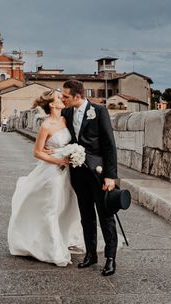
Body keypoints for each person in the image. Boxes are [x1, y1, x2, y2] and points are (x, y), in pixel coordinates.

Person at [7, 89, 84, 267]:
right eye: (59, 97)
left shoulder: (67, 118)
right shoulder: (46, 125)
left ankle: (66, 236)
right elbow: (37, 152)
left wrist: (73, 153)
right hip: (53, 171)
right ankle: (54, 249)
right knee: (52, 207)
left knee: (68, 205)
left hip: (68, 170)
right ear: (52, 104)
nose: (63, 99)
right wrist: (58, 159)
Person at [61, 79, 118, 277]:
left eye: (65, 96)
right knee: (86, 215)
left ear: (77, 96)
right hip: (78, 173)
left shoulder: (99, 111)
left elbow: (109, 144)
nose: (62, 98)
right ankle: (91, 254)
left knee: (105, 215)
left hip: (98, 173)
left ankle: (110, 258)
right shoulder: (66, 113)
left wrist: (111, 176)